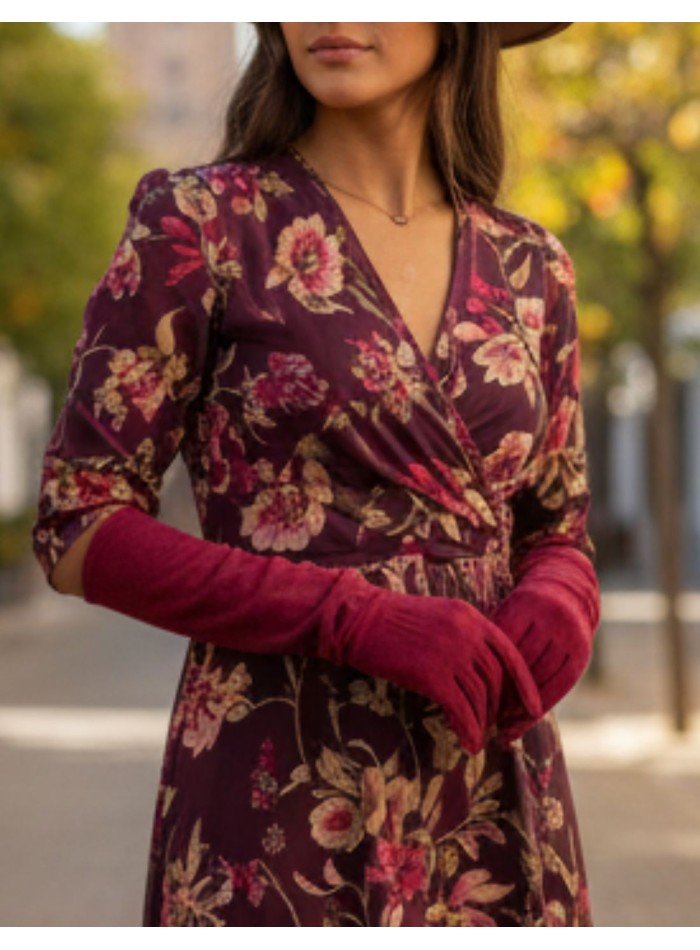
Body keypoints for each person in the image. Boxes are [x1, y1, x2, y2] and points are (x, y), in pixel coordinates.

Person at [32, 22, 600, 927]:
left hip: (490, 783)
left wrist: (566, 597)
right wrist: (353, 618)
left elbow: (555, 524)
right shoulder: (202, 223)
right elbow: (79, 527)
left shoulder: (534, 266)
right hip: (278, 781)